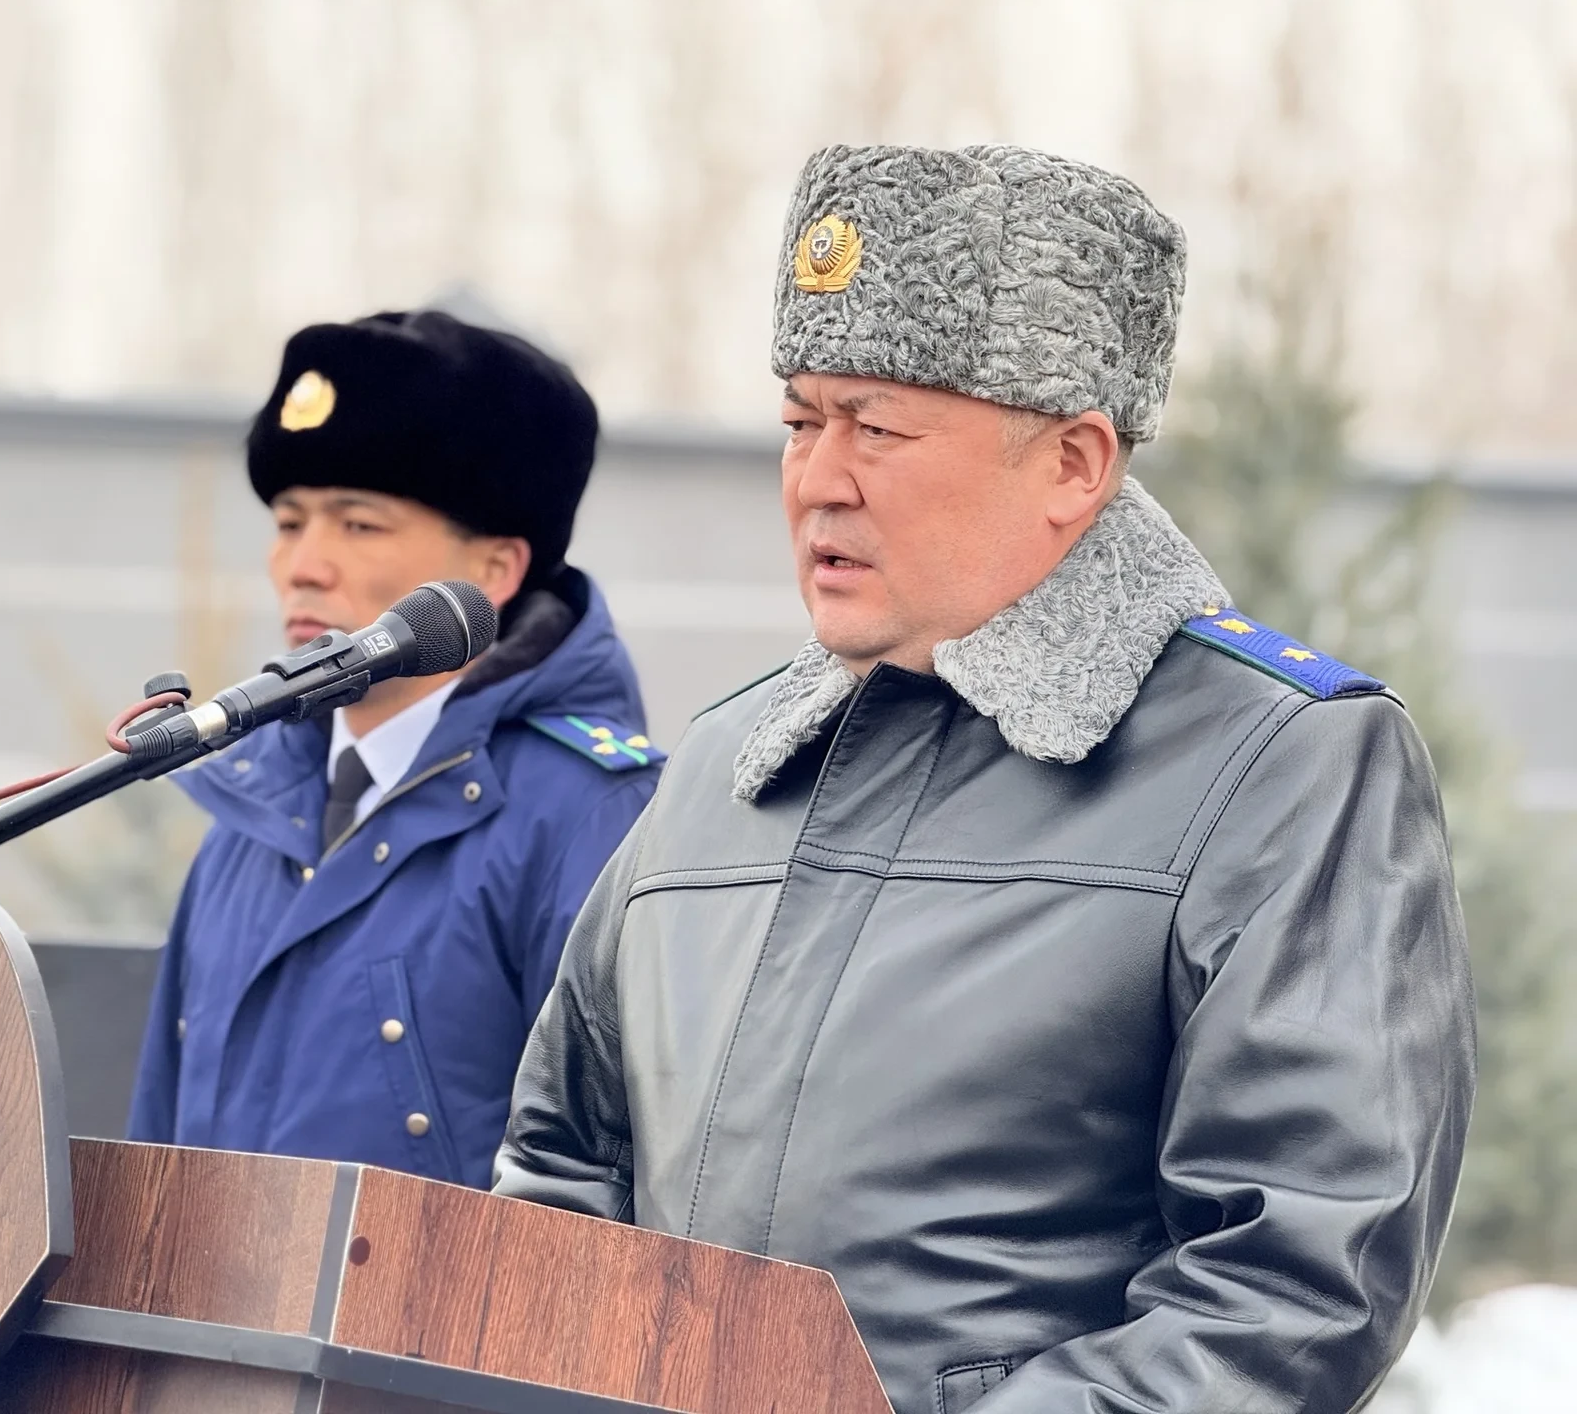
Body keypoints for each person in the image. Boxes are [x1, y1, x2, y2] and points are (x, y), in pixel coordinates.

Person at [495, 145, 1475, 1413]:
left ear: (1073, 464)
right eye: (800, 422)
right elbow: (563, 1168)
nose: (818, 480)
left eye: (879, 429)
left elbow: (1291, 1290)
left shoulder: (1281, 765)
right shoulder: (722, 771)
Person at [129, 309, 663, 1188]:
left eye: (358, 525)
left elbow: (615, 1186)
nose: (303, 565)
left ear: (492, 572)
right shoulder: (252, 805)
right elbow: (157, 1155)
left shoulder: (593, 814)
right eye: (289, 522)